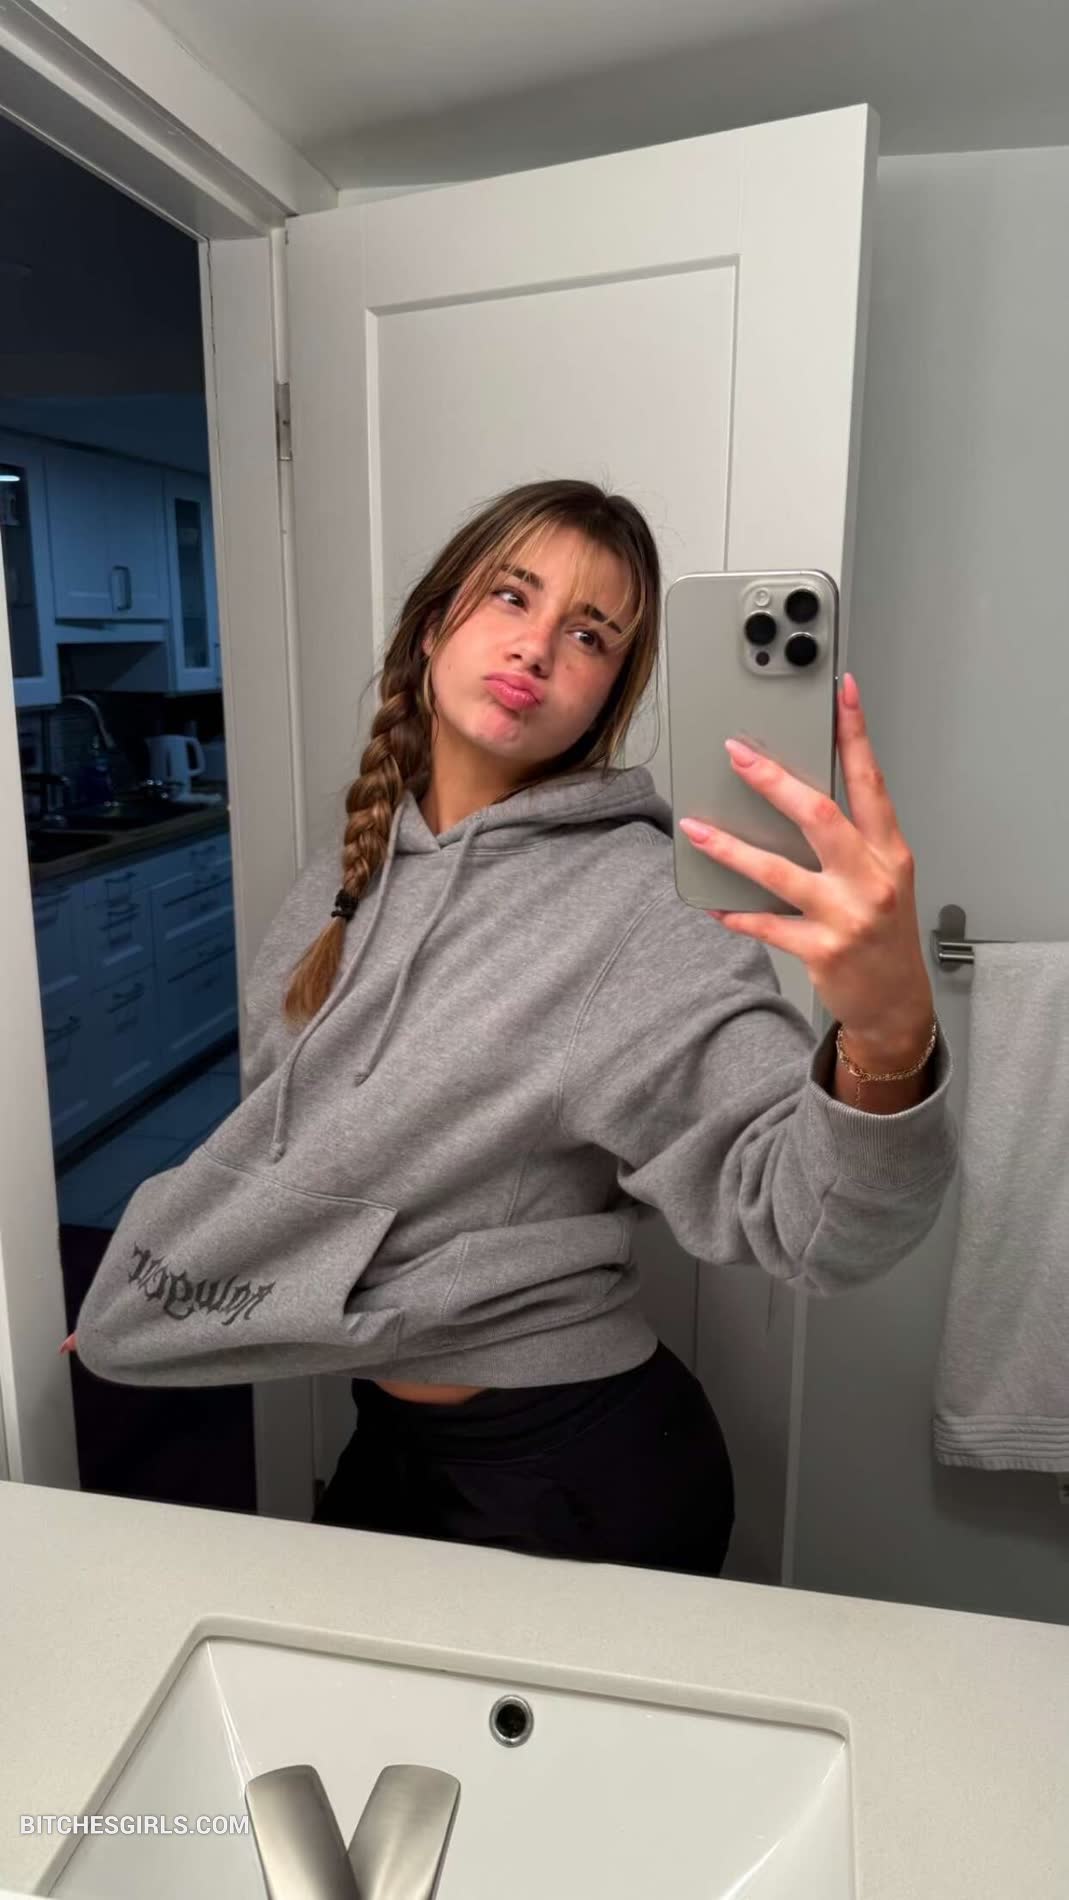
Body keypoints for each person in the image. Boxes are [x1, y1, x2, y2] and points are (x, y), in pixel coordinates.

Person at [71, 478, 958, 1579]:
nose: (536, 647)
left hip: (568, 1482)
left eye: (589, 635)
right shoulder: (346, 868)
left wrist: (886, 1032)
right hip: (390, 1446)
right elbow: (288, 1148)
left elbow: (813, 1226)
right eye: (510, 596)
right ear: (435, 622)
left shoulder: (636, 905)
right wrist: (171, 1277)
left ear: (607, 697)